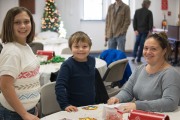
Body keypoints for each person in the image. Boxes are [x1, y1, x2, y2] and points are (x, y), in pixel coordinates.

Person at [107, 32, 180, 112]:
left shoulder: (170, 74)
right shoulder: (139, 69)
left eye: (153, 49)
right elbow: (127, 91)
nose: (148, 52)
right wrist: (118, 98)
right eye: (145, 48)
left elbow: (170, 103)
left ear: (164, 51)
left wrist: (138, 105)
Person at [0, 7, 40, 120]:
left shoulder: (24, 46)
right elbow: (5, 86)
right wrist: (24, 114)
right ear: (9, 25)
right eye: (17, 22)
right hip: (14, 114)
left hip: (26, 110)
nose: (23, 26)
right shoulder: (12, 51)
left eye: (26, 22)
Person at [55, 31, 96, 112]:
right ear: (71, 48)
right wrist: (65, 104)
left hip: (91, 104)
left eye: (84, 46)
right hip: (74, 107)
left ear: (89, 48)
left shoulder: (92, 60)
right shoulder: (67, 65)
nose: (80, 49)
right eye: (76, 47)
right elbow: (59, 86)